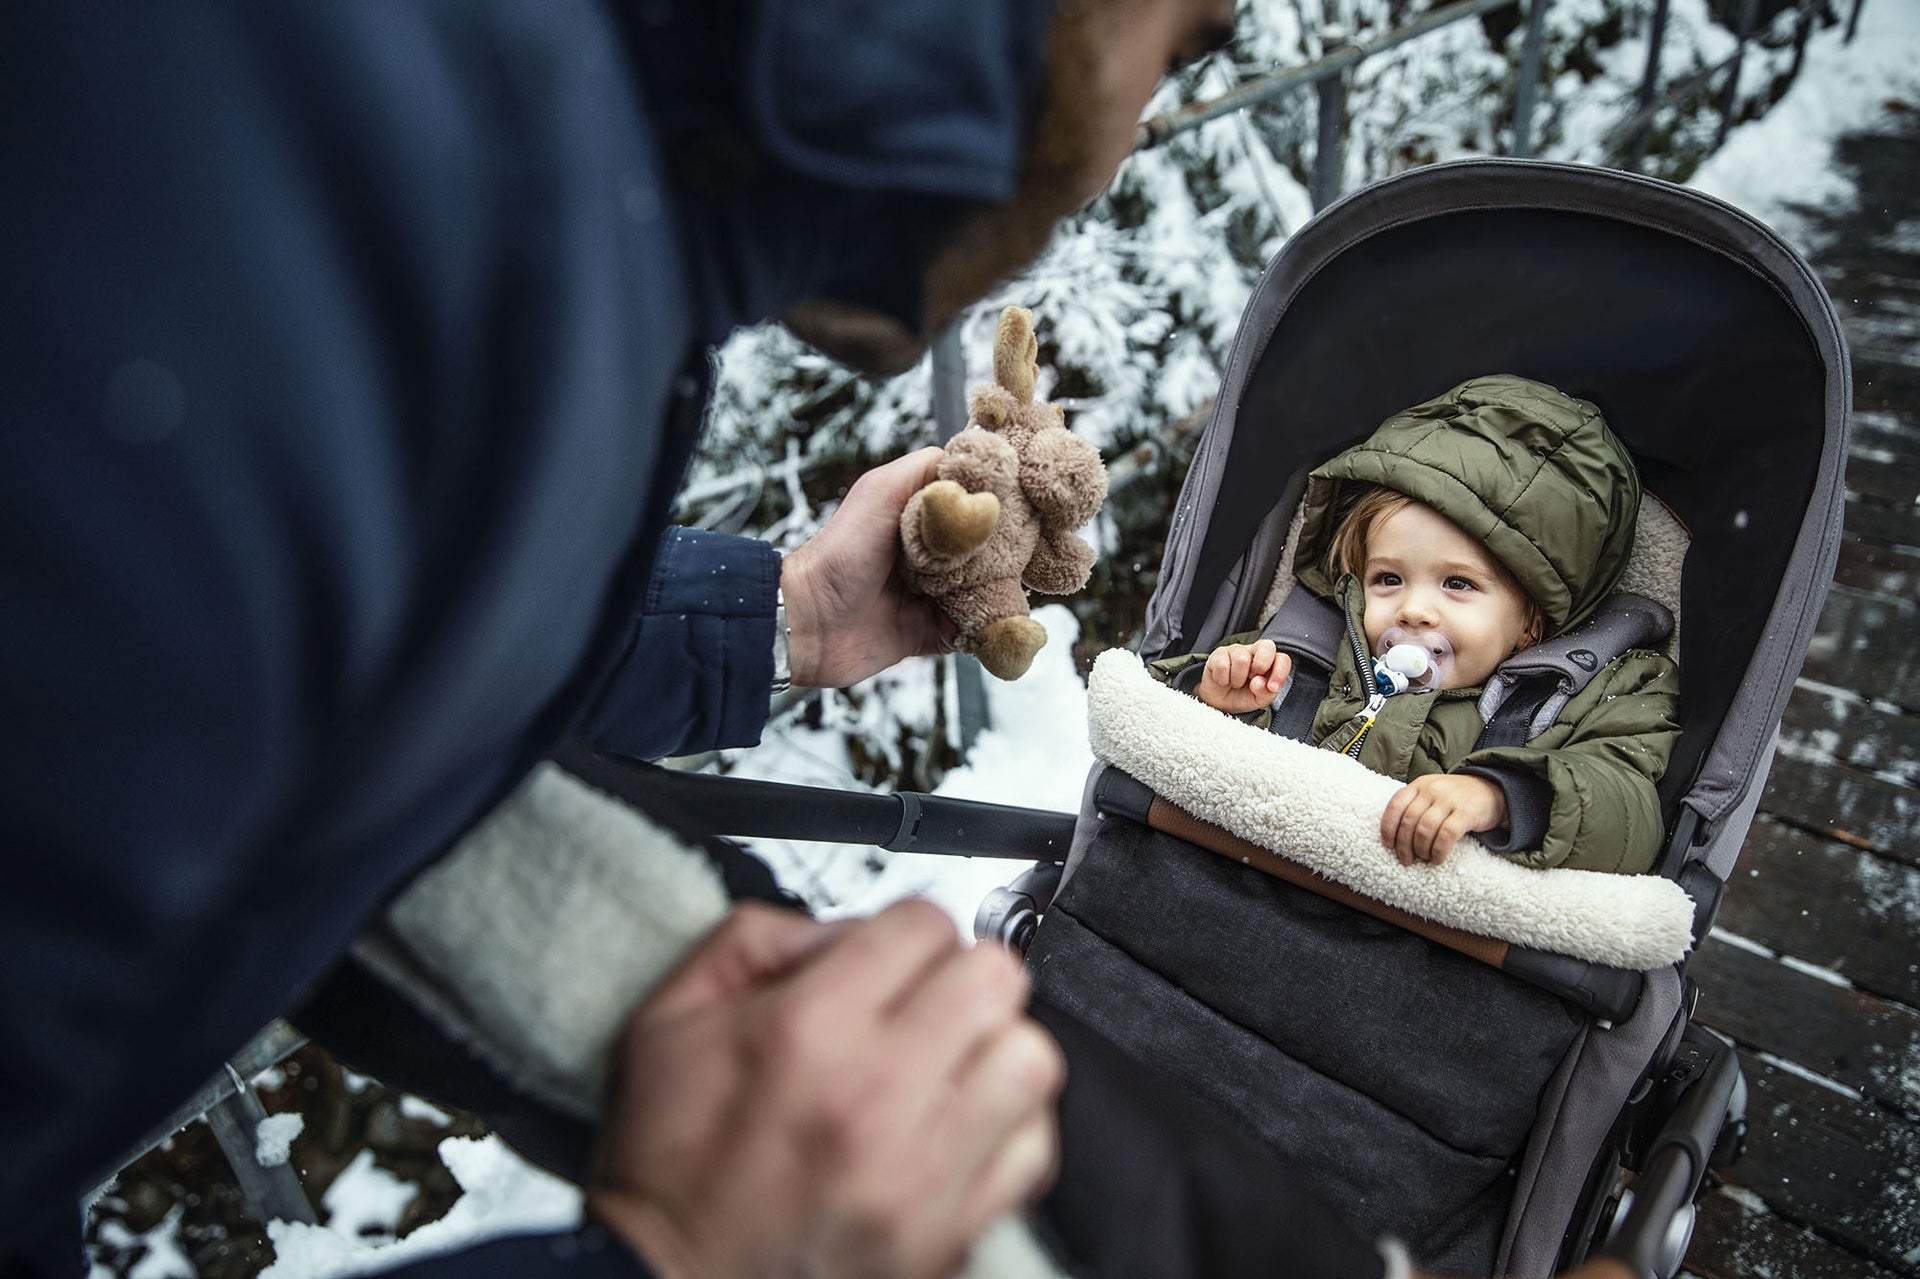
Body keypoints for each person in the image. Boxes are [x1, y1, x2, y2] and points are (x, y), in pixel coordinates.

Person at [0, 3, 1647, 1276]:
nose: (1143, 122)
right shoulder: (282, 270)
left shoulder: (512, 192)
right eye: (1179, 38)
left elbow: (366, 670)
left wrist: (780, 618)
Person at [1172, 374, 1682, 873]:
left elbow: (1631, 818)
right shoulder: (1302, 654)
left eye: (1458, 584)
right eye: (1389, 579)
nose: (1413, 610)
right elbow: (1166, 710)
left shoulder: (1594, 692)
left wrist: (1503, 797)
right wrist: (1213, 696)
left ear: (1531, 619)